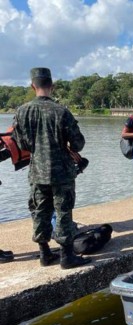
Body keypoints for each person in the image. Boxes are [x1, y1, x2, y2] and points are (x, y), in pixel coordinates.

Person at [12, 67, 90, 269]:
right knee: (63, 211)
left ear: (32, 86)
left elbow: (21, 145)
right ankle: (66, 256)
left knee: (40, 211)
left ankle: (44, 254)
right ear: (52, 86)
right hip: (62, 172)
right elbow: (78, 143)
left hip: (37, 171)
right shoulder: (61, 111)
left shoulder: (22, 112)